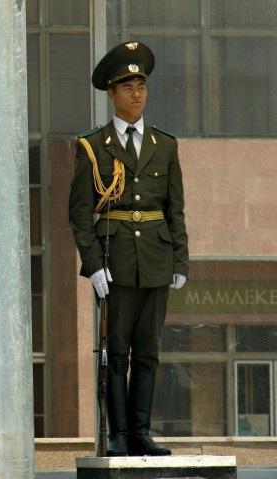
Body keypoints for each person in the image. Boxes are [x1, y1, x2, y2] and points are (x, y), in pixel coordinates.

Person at [68, 41, 188, 456]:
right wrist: (92, 265)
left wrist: (180, 260)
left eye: (141, 85)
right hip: (114, 260)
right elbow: (81, 215)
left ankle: (140, 432)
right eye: (127, 86)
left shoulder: (164, 145)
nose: (137, 93)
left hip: (155, 258)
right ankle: (118, 435)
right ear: (111, 94)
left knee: (149, 353)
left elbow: (175, 209)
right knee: (116, 352)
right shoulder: (93, 146)